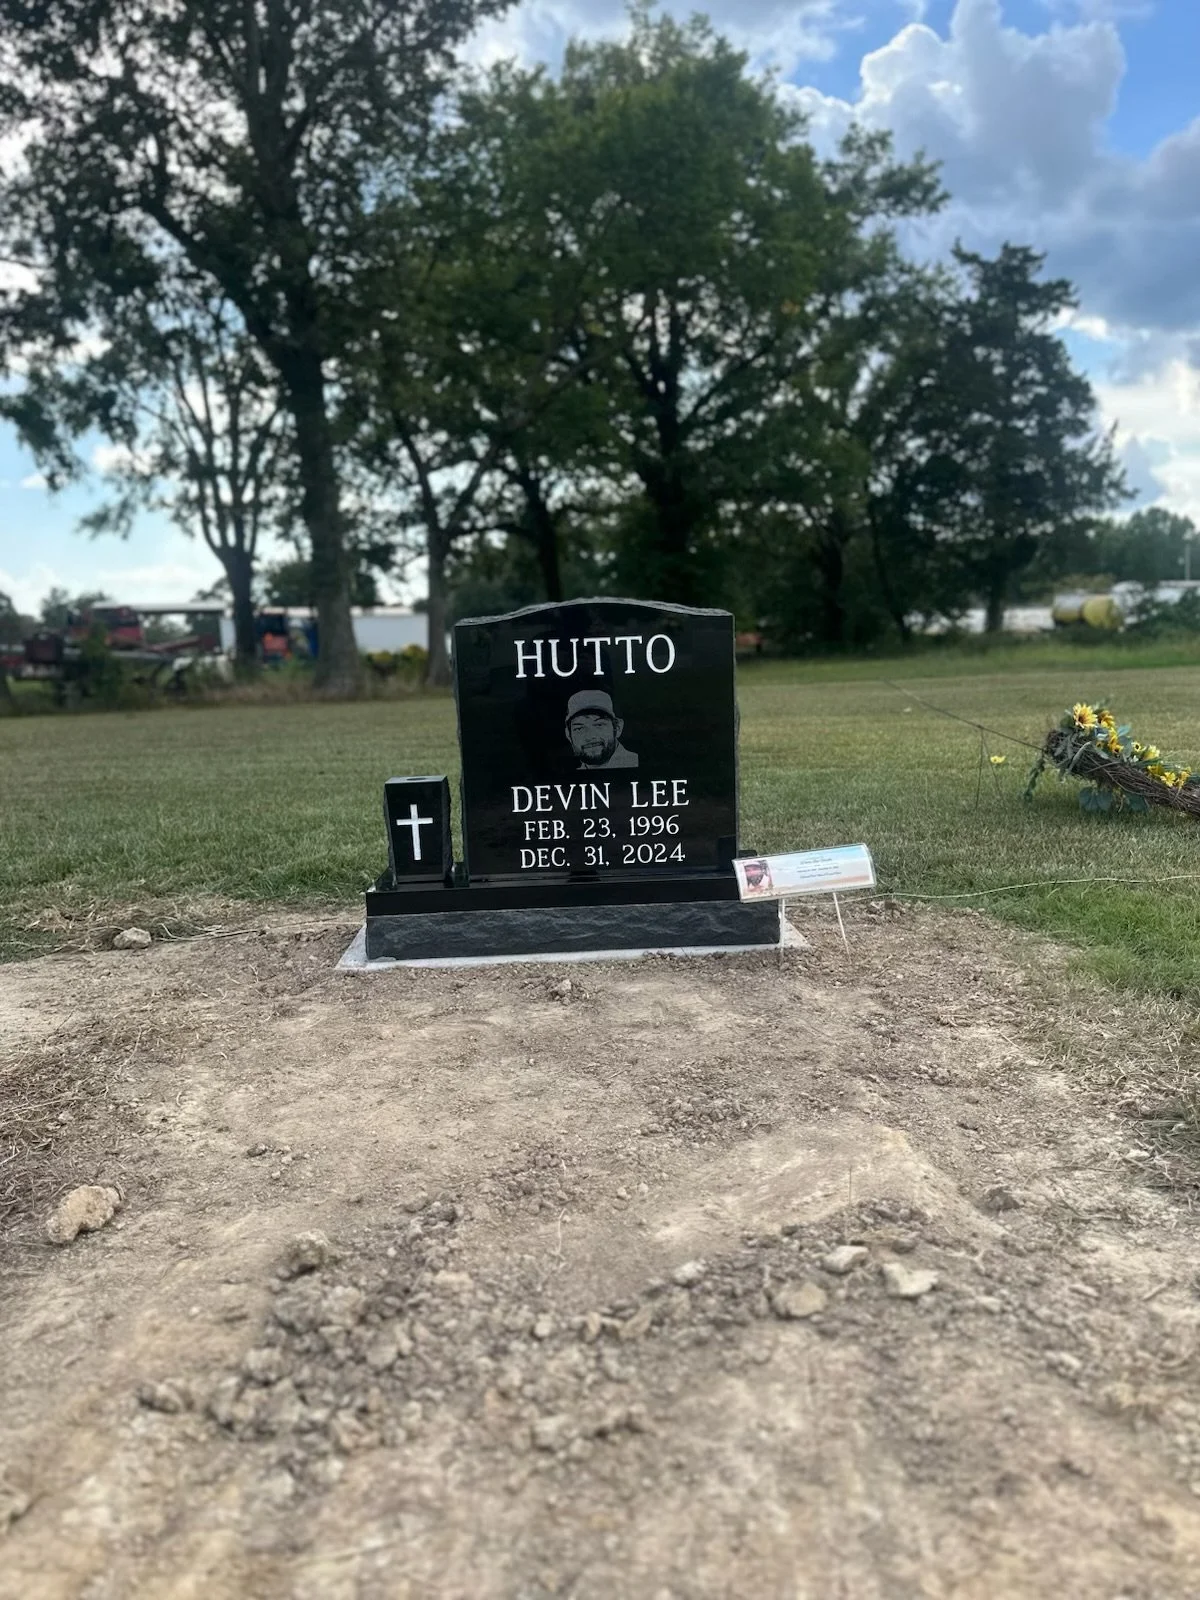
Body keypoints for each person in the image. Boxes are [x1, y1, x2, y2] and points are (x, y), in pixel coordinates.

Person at [564, 689, 638, 769]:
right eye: (579, 729)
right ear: (568, 735)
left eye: (599, 725)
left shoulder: (639, 764)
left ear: (617, 728)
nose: (590, 736)